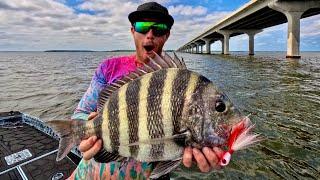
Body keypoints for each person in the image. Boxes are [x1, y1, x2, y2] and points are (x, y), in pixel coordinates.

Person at [68, 2, 223, 179]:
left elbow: (175, 149)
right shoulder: (108, 68)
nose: (149, 35)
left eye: (158, 29)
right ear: (133, 31)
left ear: (166, 35)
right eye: (142, 27)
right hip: (89, 174)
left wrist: (196, 152)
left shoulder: (180, 81)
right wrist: (88, 133)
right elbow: (79, 115)